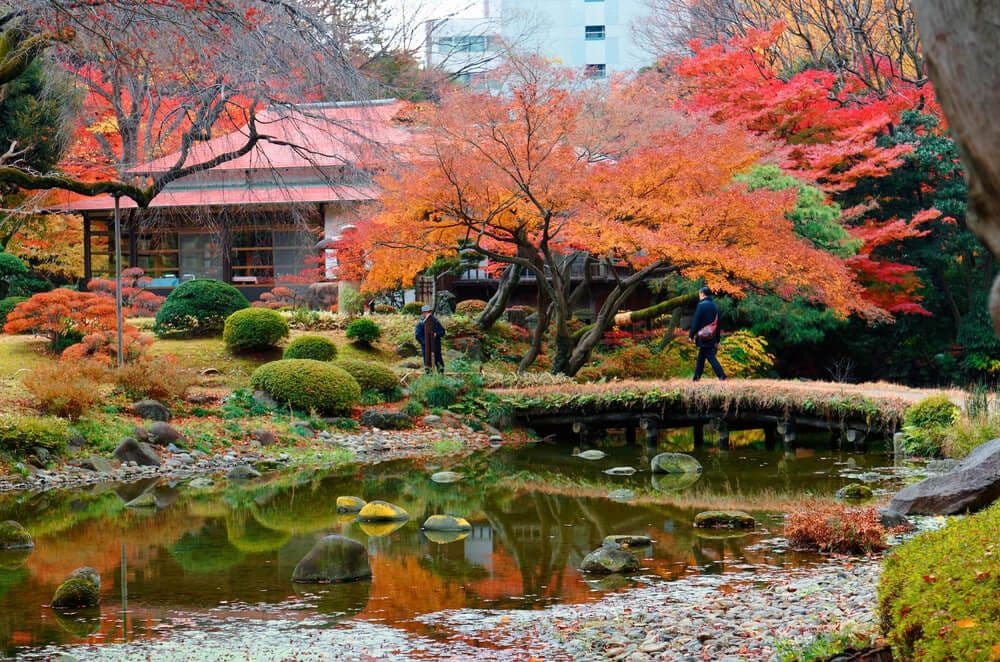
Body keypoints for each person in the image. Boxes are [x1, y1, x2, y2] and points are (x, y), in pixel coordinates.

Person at [688, 286, 727, 381]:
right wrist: (717, 340)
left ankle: (722, 376)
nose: (699, 296)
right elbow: (718, 324)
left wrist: (691, 335)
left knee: (710, 357)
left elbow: (696, 322)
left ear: (702, 294)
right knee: (701, 357)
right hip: (712, 336)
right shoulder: (715, 306)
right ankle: (696, 377)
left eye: (699, 294)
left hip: (703, 336)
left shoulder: (701, 305)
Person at [415, 304, 445, 373]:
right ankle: (429, 378)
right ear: (423, 313)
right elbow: (418, 336)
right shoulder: (421, 323)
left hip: (436, 346)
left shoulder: (435, 321)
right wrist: (427, 342)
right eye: (426, 312)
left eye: (429, 312)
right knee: (428, 364)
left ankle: (441, 377)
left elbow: (442, 331)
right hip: (426, 348)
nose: (428, 314)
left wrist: (436, 334)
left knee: (439, 363)